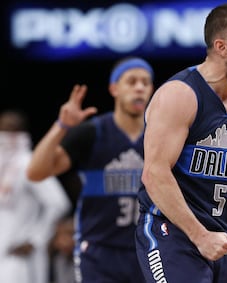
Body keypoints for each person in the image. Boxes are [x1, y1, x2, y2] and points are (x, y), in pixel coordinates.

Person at [135, 3, 227, 283]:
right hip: (171, 234)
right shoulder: (180, 94)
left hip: (218, 240)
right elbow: (154, 174)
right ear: (221, 47)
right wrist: (199, 236)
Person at [26, 57, 155, 283]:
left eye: (146, 82)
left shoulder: (160, 135)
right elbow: (35, 172)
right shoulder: (92, 132)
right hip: (99, 251)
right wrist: (61, 126)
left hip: (150, 248)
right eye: (132, 81)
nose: (139, 88)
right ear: (114, 88)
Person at [0, 109, 71, 283]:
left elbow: (59, 203)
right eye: (5, 130)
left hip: (18, 257)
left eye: (13, 130)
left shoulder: (28, 163)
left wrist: (36, 238)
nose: (8, 136)